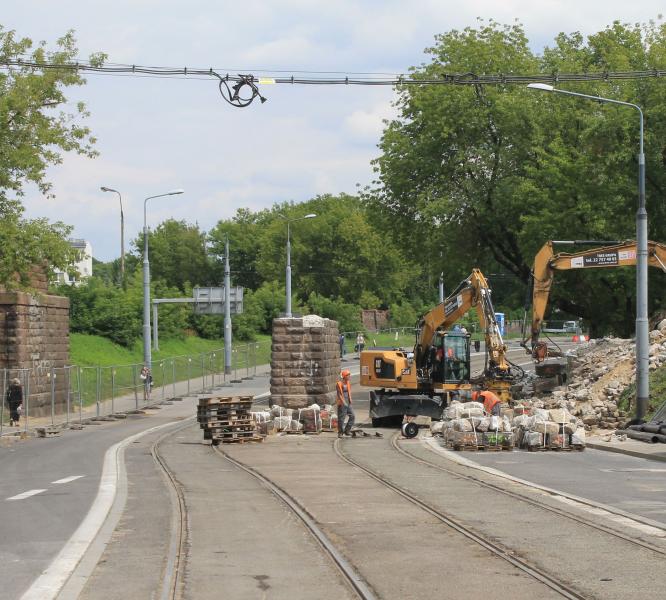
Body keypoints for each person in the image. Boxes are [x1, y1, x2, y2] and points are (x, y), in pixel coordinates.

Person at [336, 369, 355, 438]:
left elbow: (349, 391)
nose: (349, 376)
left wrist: (350, 399)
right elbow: (339, 394)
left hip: (348, 402)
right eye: (348, 375)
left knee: (352, 416)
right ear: (344, 376)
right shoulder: (339, 384)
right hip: (342, 403)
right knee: (341, 418)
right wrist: (343, 402)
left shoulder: (348, 383)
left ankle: (347, 430)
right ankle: (340, 432)